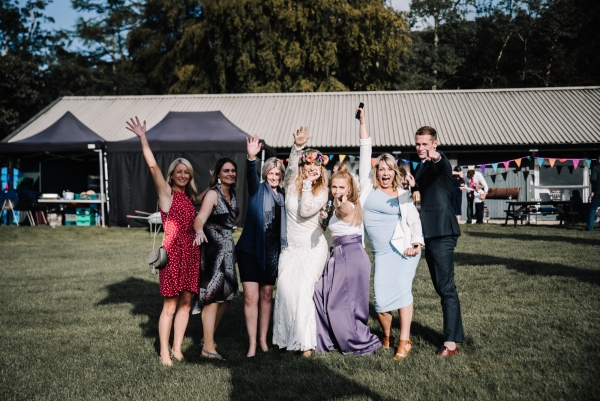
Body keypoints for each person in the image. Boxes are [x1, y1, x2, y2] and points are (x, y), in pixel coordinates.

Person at [126, 116, 200, 366]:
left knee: (186, 303)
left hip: (191, 254)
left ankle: (178, 348)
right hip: (172, 254)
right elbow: (153, 167)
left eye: (186, 172)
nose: (182, 175)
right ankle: (164, 352)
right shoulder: (166, 193)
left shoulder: (189, 199)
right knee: (170, 305)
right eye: (178, 171)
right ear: (171, 175)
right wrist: (143, 138)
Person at [358, 105, 424, 360]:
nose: (385, 173)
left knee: (404, 292)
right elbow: (365, 147)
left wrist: (417, 243)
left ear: (394, 172)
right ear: (376, 171)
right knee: (381, 303)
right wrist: (362, 121)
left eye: (389, 170)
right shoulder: (367, 187)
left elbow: (414, 221)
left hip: (405, 250)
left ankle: (404, 341)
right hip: (381, 252)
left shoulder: (402, 193)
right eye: (381, 169)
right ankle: (387, 335)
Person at [272, 126, 329, 358]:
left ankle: (305, 343)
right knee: (285, 290)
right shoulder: (290, 184)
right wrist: (297, 147)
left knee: (303, 289)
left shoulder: (322, 191)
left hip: (312, 249)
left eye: (317, 165)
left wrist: (307, 184)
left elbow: (306, 211)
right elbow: (292, 166)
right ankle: (286, 339)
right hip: (291, 248)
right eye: (308, 164)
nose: (312, 168)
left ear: (321, 169)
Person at [313, 164, 381, 356]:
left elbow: (344, 209)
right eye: (334, 187)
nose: (337, 191)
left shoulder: (348, 205)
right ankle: (328, 339)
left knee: (339, 303)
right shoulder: (332, 204)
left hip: (350, 256)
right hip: (338, 255)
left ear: (349, 188)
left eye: (341, 187)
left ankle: (355, 341)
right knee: (319, 292)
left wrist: (341, 202)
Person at [235, 134, 287, 357]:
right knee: (250, 297)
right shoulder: (258, 189)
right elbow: (250, 175)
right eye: (271, 173)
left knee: (267, 296)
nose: (274, 176)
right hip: (249, 250)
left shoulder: (283, 197)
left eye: (278, 173)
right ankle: (252, 345)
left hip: (272, 252)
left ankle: (263, 341)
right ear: (265, 174)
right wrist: (251, 157)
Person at [414, 126, 464, 357]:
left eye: (425, 144)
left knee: (446, 288)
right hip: (430, 231)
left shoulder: (438, 160)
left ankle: (450, 344)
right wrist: (411, 183)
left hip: (443, 231)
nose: (421, 148)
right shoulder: (421, 166)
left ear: (435, 143)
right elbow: (423, 185)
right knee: (441, 287)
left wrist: (437, 156)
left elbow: (441, 163)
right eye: (418, 144)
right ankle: (456, 335)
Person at [192, 157, 239, 360]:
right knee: (212, 298)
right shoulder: (213, 194)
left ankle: (206, 337)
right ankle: (208, 348)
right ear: (218, 174)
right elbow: (200, 217)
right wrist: (199, 230)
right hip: (213, 249)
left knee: (227, 296)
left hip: (228, 248)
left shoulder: (232, 193)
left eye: (233, 171)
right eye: (226, 171)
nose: (230, 174)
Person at [586, 155, 600, 231]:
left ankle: (589, 227)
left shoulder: (595, 167)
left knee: (592, 210)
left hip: (598, 191)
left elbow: (593, 179)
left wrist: (593, 189)